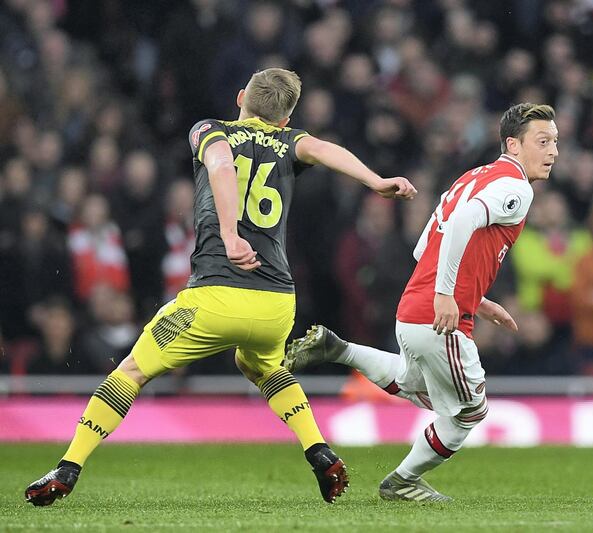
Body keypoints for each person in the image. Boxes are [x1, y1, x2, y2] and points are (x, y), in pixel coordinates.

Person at [24, 68, 416, 506]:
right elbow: (325, 150)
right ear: (285, 119)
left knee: (131, 372)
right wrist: (377, 181)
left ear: (241, 97)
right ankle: (319, 451)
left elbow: (221, 164)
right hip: (276, 304)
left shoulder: (210, 131)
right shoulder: (292, 141)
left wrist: (230, 236)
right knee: (263, 367)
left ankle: (68, 467)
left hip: (215, 296)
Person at [284, 103, 558, 501]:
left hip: (413, 308)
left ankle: (340, 349)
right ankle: (402, 482)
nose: (552, 152)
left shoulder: (473, 177)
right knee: (469, 412)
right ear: (513, 145)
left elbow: (422, 246)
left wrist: (477, 299)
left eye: (555, 142)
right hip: (439, 315)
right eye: (543, 141)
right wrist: (448, 294)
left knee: (416, 383)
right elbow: (462, 225)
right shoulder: (516, 186)